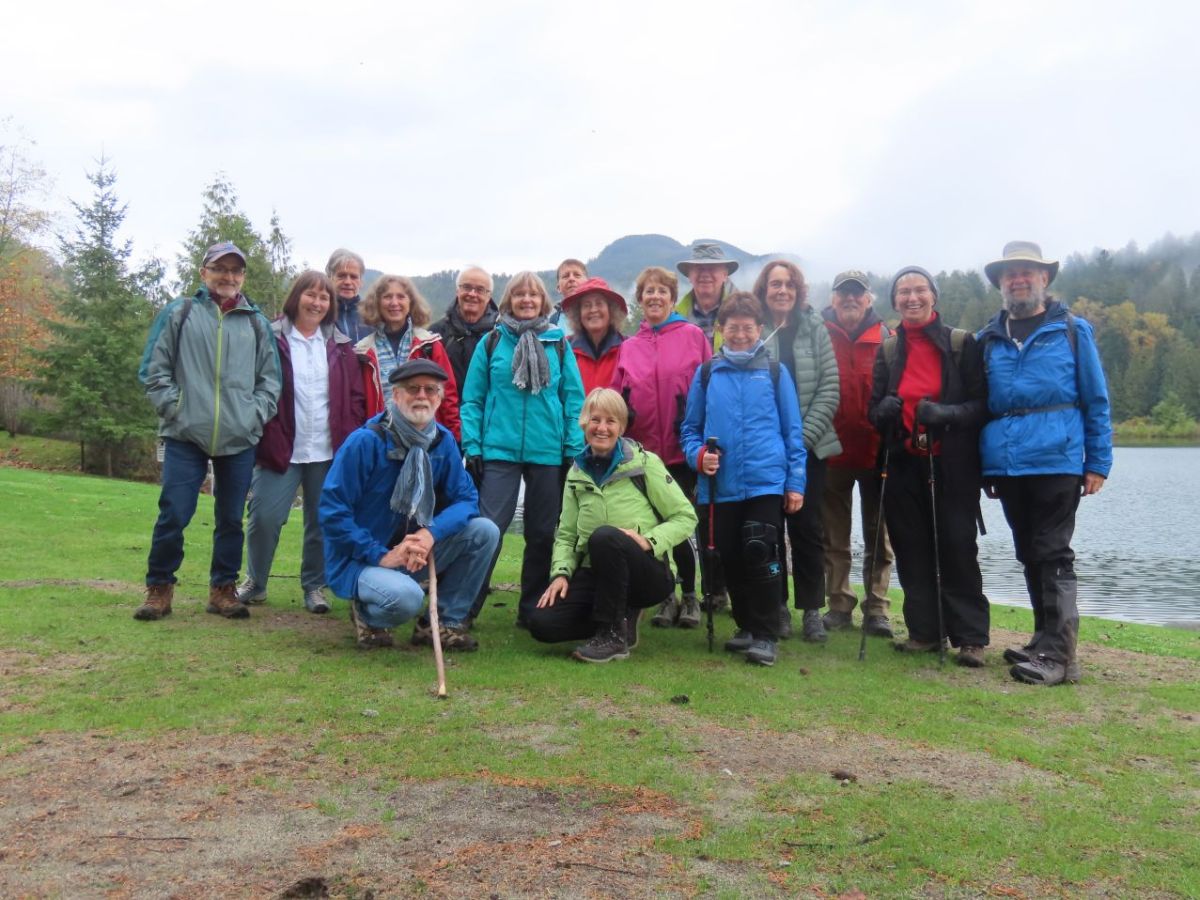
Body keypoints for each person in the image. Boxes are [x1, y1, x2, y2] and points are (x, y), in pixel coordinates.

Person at [977, 241, 1113, 686]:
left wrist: (1099, 462)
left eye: (1027, 272)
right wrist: (987, 465)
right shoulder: (988, 339)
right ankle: (1044, 640)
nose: (1018, 279)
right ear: (1000, 282)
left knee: (1053, 552)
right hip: (1009, 464)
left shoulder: (1073, 330)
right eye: (1010, 273)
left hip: (1058, 458)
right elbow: (983, 405)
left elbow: (1096, 399)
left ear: (1044, 279)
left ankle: (1059, 656)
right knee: (1028, 552)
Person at [135, 241, 282, 621]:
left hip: (238, 438)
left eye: (235, 270)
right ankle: (159, 588)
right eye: (220, 268)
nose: (228, 277)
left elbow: (271, 382)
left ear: (243, 276)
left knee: (231, 518)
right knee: (174, 512)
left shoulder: (256, 323)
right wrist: (178, 409)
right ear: (204, 272)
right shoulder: (180, 313)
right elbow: (154, 371)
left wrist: (252, 416)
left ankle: (223, 589)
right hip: (185, 436)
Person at [319, 359, 500, 650]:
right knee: (407, 599)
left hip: (414, 551)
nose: (422, 396)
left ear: (440, 398)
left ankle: (439, 624)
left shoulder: (443, 442)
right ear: (396, 395)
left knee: (485, 531)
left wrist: (430, 535)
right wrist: (380, 555)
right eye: (413, 389)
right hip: (364, 558)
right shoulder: (365, 442)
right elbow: (332, 511)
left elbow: (467, 499)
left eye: (430, 389)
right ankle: (368, 615)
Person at [868, 266, 989, 666]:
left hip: (951, 464)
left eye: (919, 290)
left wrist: (946, 413)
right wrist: (882, 412)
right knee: (911, 549)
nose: (911, 298)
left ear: (934, 296)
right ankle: (925, 631)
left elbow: (981, 405)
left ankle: (970, 637)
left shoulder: (960, 343)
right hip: (903, 464)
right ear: (894, 301)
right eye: (903, 292)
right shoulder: (887, 349)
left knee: (956, 546)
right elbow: (874, 410)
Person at [681, 292, 807, 667]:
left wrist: (795, 482)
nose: (739, 335)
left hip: (766, 479)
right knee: (730, 556)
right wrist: (699, 457)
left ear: (759, 329)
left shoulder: (774, 372)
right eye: (732, 327)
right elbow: (689, 429)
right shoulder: (706, 374)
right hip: (720, 485)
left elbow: (793, 431)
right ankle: (747, 626)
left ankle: (767, 634)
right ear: (720, 330)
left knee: (762, 553)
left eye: (746, 328)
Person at [531, 388, 698, 661]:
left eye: (611, 421)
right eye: (595, 420)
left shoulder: (646, 464)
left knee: (605, 537)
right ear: (584, 423)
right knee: (541, 623)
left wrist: (650, 541)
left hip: (646, 572)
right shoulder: (576, 473)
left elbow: (685, 516)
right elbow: (566, 534)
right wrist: (560, 573)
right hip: (594, 572)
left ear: (621, 426)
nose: (602, 428)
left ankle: (613, 637)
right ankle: (617, 619)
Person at [460, 271, 586, 627]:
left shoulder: (558, 343)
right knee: (488, 530)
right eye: (519, 295)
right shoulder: (491, 343)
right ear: (508, 301)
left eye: (533, 295)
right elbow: (473, 399)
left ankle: (531, 608)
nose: (527, 300)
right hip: (498, 449)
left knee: (543, 533)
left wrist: (572, 446)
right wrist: (473, 444)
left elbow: (573, 398)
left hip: (547, 451)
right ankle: (465, 606)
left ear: (543, 302)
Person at [236, 271, 366, 613]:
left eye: (324, 298)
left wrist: (349, 438)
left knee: (322, 521)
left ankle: (314, 587)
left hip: (327, 450)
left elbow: (354, 397)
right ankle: (256, 582)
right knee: (264, 515)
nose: (317, 303)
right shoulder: (271, 336)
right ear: (296, 297)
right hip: (280, 446)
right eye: (311, 295)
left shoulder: (340, 345)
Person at [612, 266, 713, 628]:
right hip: (643, 452)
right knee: (651, 525)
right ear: (639, 300)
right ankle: (665, 595)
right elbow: (615, 400)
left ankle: (690, 596)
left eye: (662, 291)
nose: (654, 297)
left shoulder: (693, 336)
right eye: (647, 292)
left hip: (681, 449)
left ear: (673, 298)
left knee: (682, 525)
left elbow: (709, 388)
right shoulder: (629, 347)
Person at [755, 260, 841, 643]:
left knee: (807, 529)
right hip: (766, 449)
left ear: (798, 289)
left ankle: (811, 610)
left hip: (809, 447)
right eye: (775, 284)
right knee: (770, 530)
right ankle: (776, 606)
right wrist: (776, 444)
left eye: (789, 284)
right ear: (764, 289)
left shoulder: (814, 327)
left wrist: (799, 441)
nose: (782, 290)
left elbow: (829, 388)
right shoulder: (754, 328)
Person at [820, 270, 895, 638]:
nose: (850, 299)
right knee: (834, 537)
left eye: (857, 293)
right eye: (843, 293)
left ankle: (878, 608)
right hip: (830, 451)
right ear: (833, 298)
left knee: (878, 536)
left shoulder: (887, 338)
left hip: (877, 452)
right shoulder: (817, 336)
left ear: (869, 299)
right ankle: (838, 603)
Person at [355, 274, 460, 440]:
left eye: (401, 296)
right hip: (380, 439)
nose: (394, 303)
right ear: (377, 303)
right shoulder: (363, 351)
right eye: (387, 297)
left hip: (425, 437)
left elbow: (448, 396)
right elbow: (358, 404)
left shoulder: (429, 345)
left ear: (410, 302)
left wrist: (454, 438)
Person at [430, 266, 499, 391]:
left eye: (480, 290)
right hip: (446, 408)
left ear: (489, 296)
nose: (472, 294)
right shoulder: (436, 334)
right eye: (466, 287)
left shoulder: (501, 334)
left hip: (488, 409)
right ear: (457, 291)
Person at [564, 276, 626, 394]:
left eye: (599, 304)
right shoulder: (565, 349)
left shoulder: (627, 348)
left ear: (610, 310)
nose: (593, 310)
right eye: (587, 305)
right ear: (579, 313)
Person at [676, 242, 738, 347]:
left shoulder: (740, 313)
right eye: (699, 268)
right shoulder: (675, 317)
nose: (705, 274)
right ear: (689, 275)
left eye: (712, 268)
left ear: (725, 275)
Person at [325, 248, 372, 343]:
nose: (347, 282)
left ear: (361, 282)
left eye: (354, 277)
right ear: (330, 278)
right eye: (341, 276)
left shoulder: (371, 315)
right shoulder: (320, 312)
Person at [550, 258, 588, 328]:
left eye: (577, 275)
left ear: (587, 283)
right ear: (558, 288)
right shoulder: (552, 322)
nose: (571, 279)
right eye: (565, 276)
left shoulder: (597, 313)